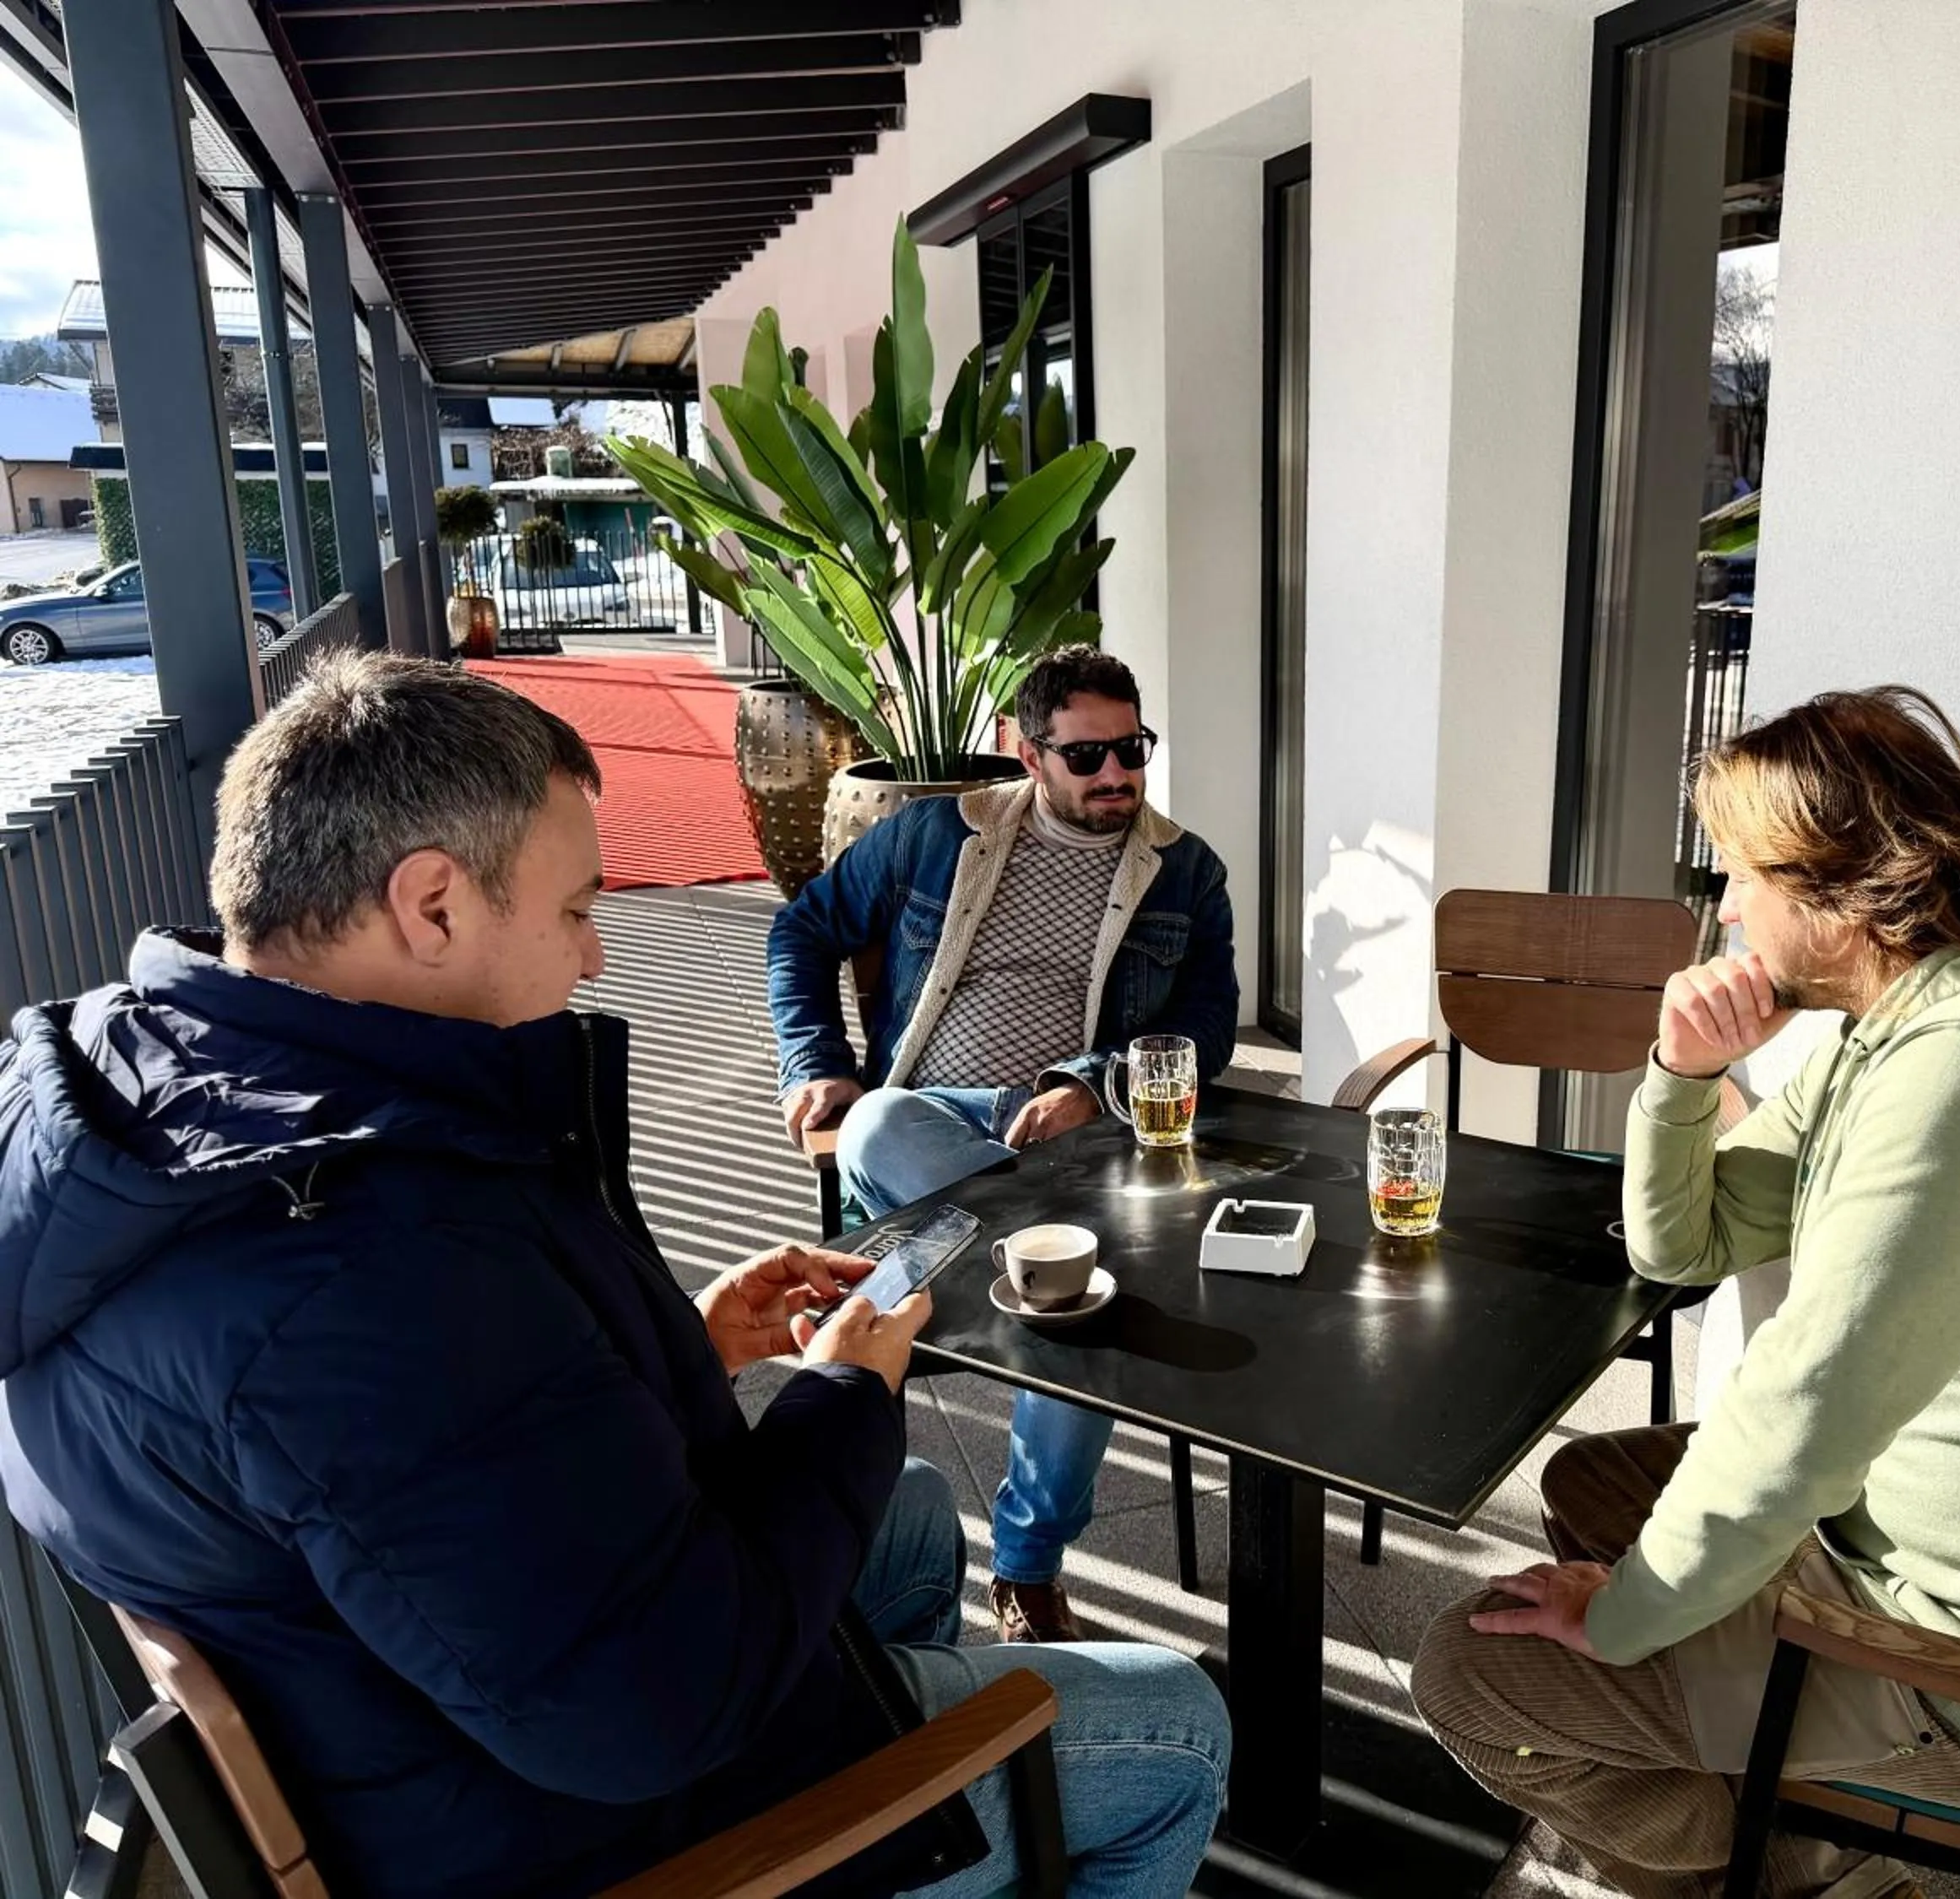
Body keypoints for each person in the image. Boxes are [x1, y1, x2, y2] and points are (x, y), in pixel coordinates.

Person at [0, 654, 1228, 1899]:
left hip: (424, 1712)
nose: (595, 957)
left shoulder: (150, 1112)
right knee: (1181, 1723)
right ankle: (914, 1827)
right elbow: (656, 1705)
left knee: (907, 1512)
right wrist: (846, 1391)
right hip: (587, 1826)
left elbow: (424, 1457)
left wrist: (682, 1348)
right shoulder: (365, 1265)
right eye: (580, 907)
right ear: (432, 904)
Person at [1411, 687, 1960, 1899]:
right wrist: (1682, 1074)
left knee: (1465, 1674)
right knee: (1592, 1479)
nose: (1723, 908)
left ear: (1838, 886)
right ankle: (1786, 1826)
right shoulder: (1904, 1029)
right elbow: (1689, 1242)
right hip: (1930, 1550)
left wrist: (1621, 1615)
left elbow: (1800, 1417)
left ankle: (1772, 1869)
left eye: (1736, 874)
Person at [767, 646, 1237, 1645]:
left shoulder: (1187, 873)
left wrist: (1091, 1079)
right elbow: (803, 929)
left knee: (1069, 1313)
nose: (1117, 775)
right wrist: (817, 1060)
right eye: (1088, 757)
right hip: (927, 1136)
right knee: (889, 1126)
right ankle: (1048, 1274)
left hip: (1077, 1150)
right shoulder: (939, 836)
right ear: (1029, 755)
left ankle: (1022, 1566)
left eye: (1133, 750)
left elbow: (1207, 1032)